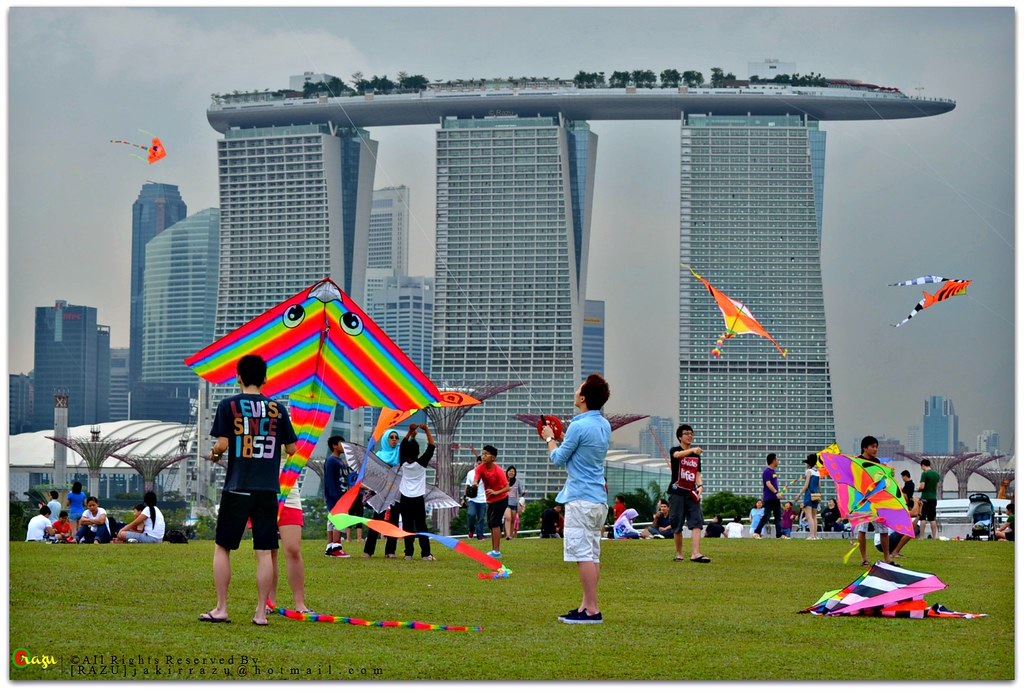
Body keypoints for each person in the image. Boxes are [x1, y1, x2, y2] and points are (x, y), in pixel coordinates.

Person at [201, 353, 298, 626]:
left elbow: (221, 444)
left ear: (238, 377)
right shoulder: (278, 409)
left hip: (237, 486)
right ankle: (259, 613)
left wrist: (215, 454)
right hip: (267, 488)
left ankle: (221, 608)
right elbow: (292, 449)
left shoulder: (229, 405)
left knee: (223, 548)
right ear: (266, 379)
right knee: (265, 551)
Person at [542, 373, 611, 624]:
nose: (575, 392)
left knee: (583, 555)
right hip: (598, 500)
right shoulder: (603, 424)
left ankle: (592, 610)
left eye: (579, 389)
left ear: (582, 398)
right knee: (592, 555)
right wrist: (562, 441)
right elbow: (580, 453)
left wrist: (550, 438)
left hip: (581, 499)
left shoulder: (578, 426)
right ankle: (586, 605)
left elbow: (557, 459)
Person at [667, 424, 710, 563]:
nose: (690, 436)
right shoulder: (675, 450)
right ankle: (679, 553)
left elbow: (697, 474)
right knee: (677, 523)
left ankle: (696, 553)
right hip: (677, 492)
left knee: (697, 521)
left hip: (691, 492)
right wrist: (693, 450)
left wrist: (700, 486)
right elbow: (677, 455)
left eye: (691, 433)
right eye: (686, 433)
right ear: (680, 436)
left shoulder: (695, 455)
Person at [269, 483, 314, 614]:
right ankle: (269, 601)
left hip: (289, 490)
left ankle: (300, 603)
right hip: (264, 489)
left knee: (293, 549)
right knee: (269, 550)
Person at [854, 436, 898, 567]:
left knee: (883, 529)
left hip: (876, 500)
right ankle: (864, 559)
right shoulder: (857, 462)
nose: (875, 449)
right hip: (862, 500)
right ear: (864, 448)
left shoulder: (877, 462)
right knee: (863, 528)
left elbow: (882, 480)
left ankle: (887, 558)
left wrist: (889, 474)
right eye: (872, 446)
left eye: (876, 447)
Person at [397, 423, 437, 560]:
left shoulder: (403, 462)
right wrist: (426, 430)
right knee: (421, 526)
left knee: (407, 525)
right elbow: (432, 447)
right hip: (418, 498)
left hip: (405, 498)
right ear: (417, 452)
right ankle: (426, 554)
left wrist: (410, 432)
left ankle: (408, 553)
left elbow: (402, 446)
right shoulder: (421, 463)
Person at [363, 428, 402, 558]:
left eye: (396, 437)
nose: (394, 440)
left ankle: (390, 551)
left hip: (396, 492)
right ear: (386, 439)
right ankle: (368, 551)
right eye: (391, 437)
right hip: (380, 491)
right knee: (377, 520)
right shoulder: (378, 455)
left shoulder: (400, 454)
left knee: (394, 520)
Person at [474, 444, 509, 559]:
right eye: (482, 453)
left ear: (493, 458)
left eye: (486, 454)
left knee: (495, 522)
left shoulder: (498, 471)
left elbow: (507, 487)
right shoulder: (481, 467)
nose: (483, 456)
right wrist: (474, 484)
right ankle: (494, 550)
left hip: (501, 498)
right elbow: (477, 477)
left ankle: (497, 551)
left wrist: (495, 492)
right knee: (490, 524)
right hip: (491, 500)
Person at [322, 435, 351, 558]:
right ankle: (336, 547)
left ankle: (330, 547)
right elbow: (329, 480)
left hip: (342, 495)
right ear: (334, 446)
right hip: (336, 497)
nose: (343, 446)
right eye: (341, 443)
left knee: (332, 521)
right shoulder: (331, 461)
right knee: (339, 521)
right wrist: (334, 496)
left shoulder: (340, 461)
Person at [753, 454, 783, 539]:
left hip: (775, 499)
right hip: (769, 498)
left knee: (778, 517)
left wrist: (777, 494)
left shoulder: (774, 472)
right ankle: (756, 532)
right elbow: (768, 483)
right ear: (773, 460)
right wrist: (776, 492)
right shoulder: (767, 471)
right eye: (777, 459)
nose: (778, 461)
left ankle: (779, 535)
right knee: (767, 516)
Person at [463, 448, 488, 540]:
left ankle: (480, 535)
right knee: (471, 514)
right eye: (479, 463)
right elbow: (467, 485)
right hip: (472, 498)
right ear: (476, 463)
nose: (480, 464)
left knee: (481, 518)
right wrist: (464, 497)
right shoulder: (471, 473)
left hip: (483, 499)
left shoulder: (487, 473)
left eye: (482, 463)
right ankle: (471, 530)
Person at [917, 458, 941, 539]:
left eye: (921, 467)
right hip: (933, 498)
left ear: (923, 465)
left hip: (925, 498)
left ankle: (921, 537)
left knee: (923, 518)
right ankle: (935, 537)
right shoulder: (937, 474)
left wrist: (918, 489)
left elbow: (922, 486)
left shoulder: (925, 473)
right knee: (932, 518)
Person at [800, 453, 821, 540]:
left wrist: (799, 495)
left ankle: (811, 535)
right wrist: (820, 495)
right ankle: (815, 535)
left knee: (809, 516)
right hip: (816, 495)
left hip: (809, 495)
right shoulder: (817, 472)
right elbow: (819, 486)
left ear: (808, 463)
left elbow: (806, 485)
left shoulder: (808, 471)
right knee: (814, 516)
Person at [504, 466, 525, 540]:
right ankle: (507, 535)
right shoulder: (504, 480)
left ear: (515, 473)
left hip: (514, 503)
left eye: (513, 471)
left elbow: (520, 492)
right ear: (507, 472)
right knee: (508, 518)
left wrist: (524, 493)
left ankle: (510, 535)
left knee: (512, 520)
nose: (511, 472)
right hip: (505, 503)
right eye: (510, 471)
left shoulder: (517, 481)